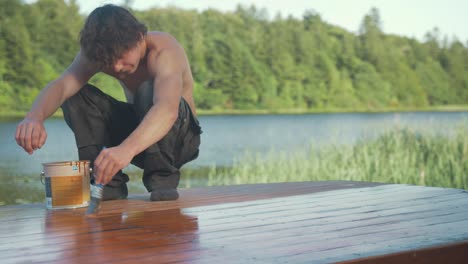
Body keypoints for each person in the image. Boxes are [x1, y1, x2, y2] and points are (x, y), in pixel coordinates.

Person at [14, 4, 202, 201]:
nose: (116, 67)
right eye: (108, 61)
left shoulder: (164, 51)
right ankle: (106, 183)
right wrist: (34, 117)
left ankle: (162, 179)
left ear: (139, 37)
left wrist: (126, 150)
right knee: (74, 94)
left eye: (121, 57)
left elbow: (167, 109)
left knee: (147, 90)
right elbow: (61, 86)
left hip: (181, 140)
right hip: (141, 138)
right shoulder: (100, 53)